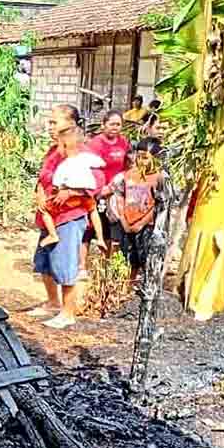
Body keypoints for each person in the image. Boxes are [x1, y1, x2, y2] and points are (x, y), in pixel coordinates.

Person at [29, 105, 107, 330]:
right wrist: (39, 194)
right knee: (44, 262)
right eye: (50, 122)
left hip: (69, 217)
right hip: (49, 214)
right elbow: (43, 177)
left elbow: (97, 182)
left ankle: (68, 312)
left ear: (71, 125)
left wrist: (71, 192)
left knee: (65, 264)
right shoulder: (55, 150)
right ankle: (53, 302)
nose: (50, 127)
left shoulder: (84, 154)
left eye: (55, 122)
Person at [110, 138, 163, 282]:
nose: (140, 161)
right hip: (127, 225)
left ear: (156, 158)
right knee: (127, 260)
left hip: (147, 227)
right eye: (138, 157)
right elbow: (120, 196)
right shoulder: (128, 175)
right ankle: (125, 291)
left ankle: (145, 291)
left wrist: (142, 223)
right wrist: (123, 220)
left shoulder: (159, 178)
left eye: (145, 158)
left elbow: (159, 205)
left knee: (145, 261)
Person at [87, 110, 131, 254]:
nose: (115, 127)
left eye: (118, 124)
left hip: (115, 191)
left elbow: (128, 165)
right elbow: (90, 168)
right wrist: (100, 189)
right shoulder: (95, 143)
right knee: (90, 227)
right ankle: (82, 265)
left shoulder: (124, 142)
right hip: (97, 191)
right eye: (111, 124)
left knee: (111, 229)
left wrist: (114, 187)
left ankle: (106, 262)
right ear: (103, 125)